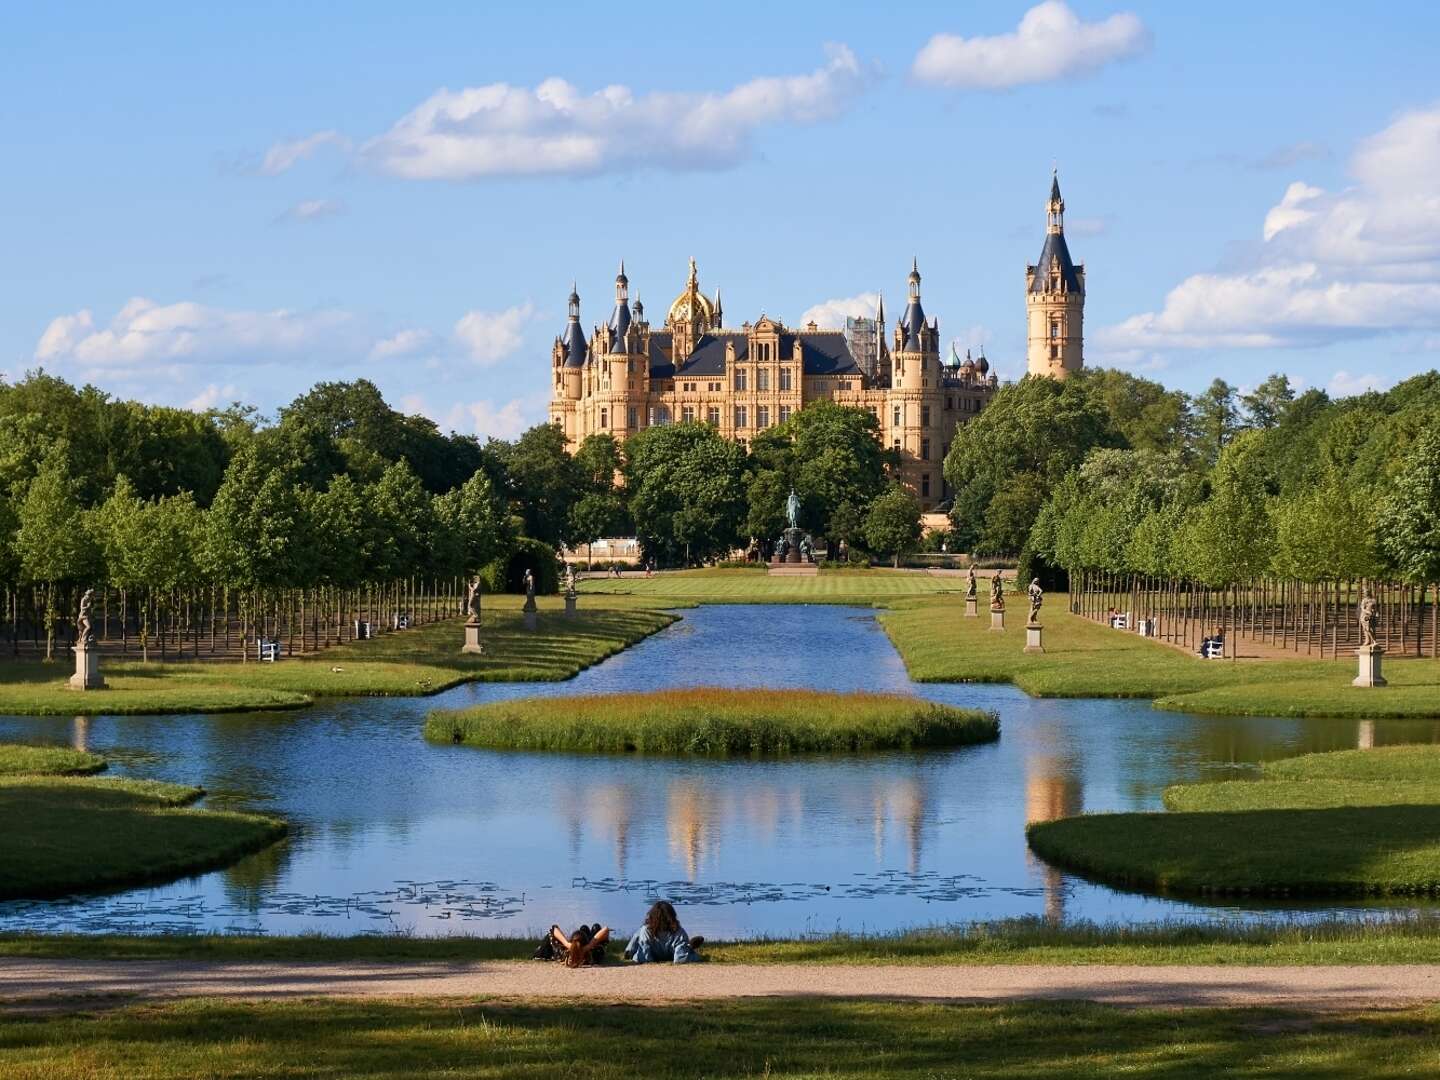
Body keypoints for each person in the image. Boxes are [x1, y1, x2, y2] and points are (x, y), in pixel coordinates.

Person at [624, 900, 704, 964]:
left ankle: (629, 951)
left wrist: (644, 959)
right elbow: (680, 958)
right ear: (672, 916)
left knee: (640, 931)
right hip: (671, 954)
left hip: (652, 954)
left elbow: (644, 955)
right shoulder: (678, 931)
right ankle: (690, 948)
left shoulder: (646, 930)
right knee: (683, 948)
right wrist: (697, 957)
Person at [534, 922, 611, 967]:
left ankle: (583, 932)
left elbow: (554, 928)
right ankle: (585, 932)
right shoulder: (593, 954)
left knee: (584, 928)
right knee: (594, 927)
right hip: (587, 945)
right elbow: (606, 929)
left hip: (580, 945)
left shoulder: (563, 954)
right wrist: (589, 946)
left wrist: (566, 944)